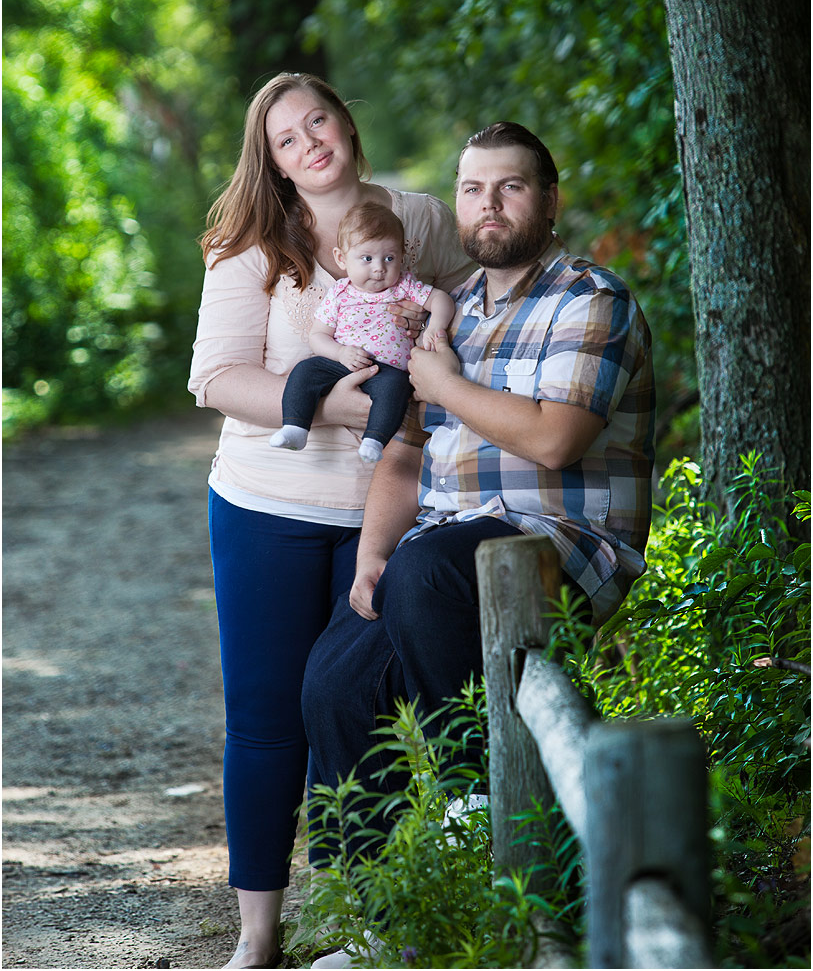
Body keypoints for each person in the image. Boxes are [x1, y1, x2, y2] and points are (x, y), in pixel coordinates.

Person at [302, 122, 655, 965]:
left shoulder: (588, 298)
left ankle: (477, 816)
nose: (487, 205)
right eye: (471, 188)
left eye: (510, 186)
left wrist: (448, 384)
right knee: (331, 678)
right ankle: (379, 921)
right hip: (442, 552)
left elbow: (557, 439)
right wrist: (369, 559)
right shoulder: (450, 315)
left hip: (563, 546)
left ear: (548, 200)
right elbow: (405, 455)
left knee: (428, 574)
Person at [188, 71, 473, 970]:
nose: (310, 142)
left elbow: (483, 306)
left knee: (351, 706)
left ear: (347, 124)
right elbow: (216, 378)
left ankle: (359, 919)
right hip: (261, 506)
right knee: (268, 718)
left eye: (319, 121)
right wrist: (333, 409)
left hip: (378, 509)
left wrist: (443, 374)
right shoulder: (251, 245)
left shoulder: (419, 219)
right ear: (270, 162)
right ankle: (258, 935)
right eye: (286, 138)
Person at [270, 201, 454, 463]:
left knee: (396, 389)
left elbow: (442, 300)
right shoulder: (339, 293)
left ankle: (374, 440)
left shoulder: (404, 286)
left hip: (387, 370)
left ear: (401, 256)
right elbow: (318, 336)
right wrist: (340, 352)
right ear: (341, 258)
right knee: (305, 371)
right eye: (367, 258)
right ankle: (295, 427)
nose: (379, 268)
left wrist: (435, 324)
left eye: (389, 258)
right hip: (344, 363)